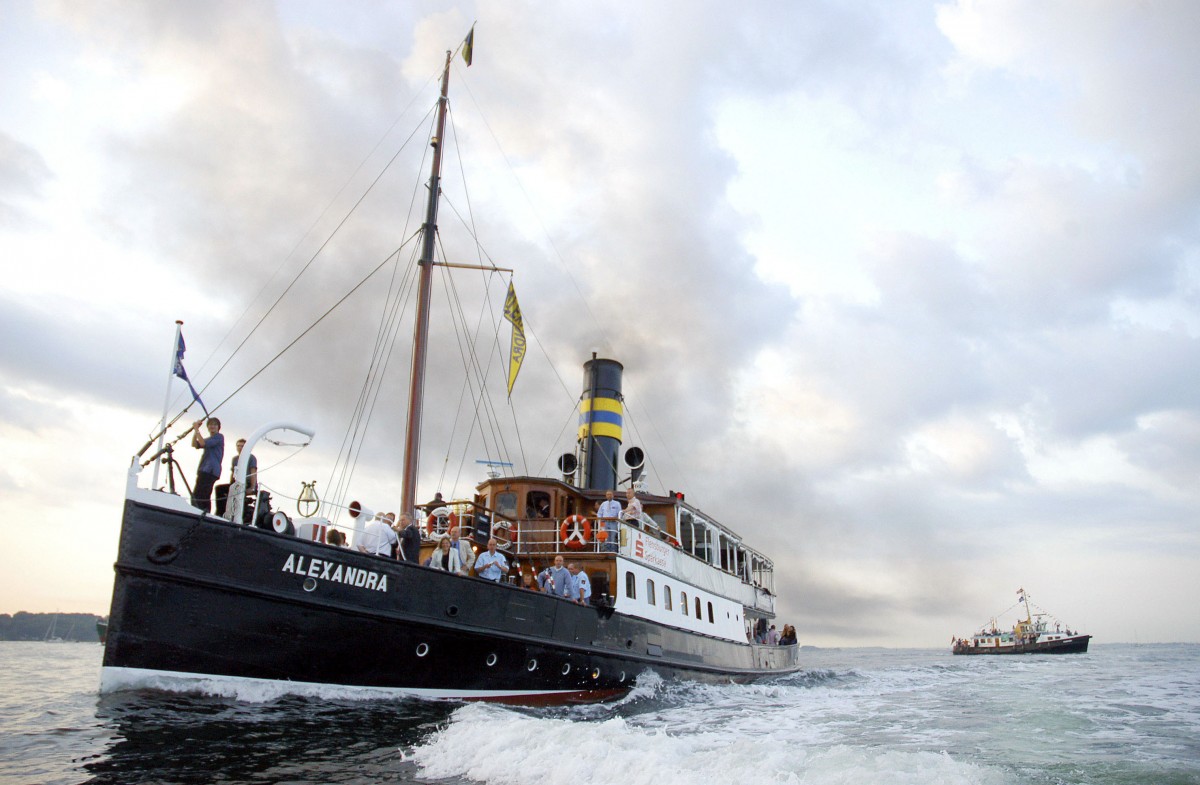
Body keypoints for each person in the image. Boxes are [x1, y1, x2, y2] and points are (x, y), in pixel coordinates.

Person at [190, 417, 224, 513]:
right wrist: (195, 430)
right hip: (204, 469)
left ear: (218, 427)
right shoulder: (210, 439)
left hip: (211, 470)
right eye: (210, 424)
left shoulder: (219, 437)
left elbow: (202, 443)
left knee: (203, 493)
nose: (212, 426)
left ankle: (204, 512)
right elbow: (194, 444)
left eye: (214, 424)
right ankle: (197, 510)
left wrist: (196, 429)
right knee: (197, 493)